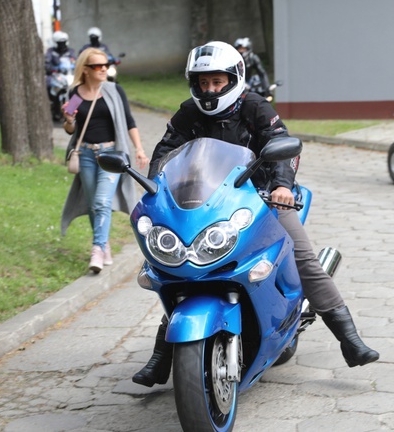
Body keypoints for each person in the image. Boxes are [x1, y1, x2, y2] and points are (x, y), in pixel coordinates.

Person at [131, 41, 379, 388]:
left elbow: (283, 148)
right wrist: (157, 183)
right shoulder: (189, 112)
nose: (210, 89)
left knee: (303, 256)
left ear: (234, 78)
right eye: (203, 83)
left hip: (260, 198)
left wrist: (281, 187)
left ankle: (349, 340)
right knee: (179, 269)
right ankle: (163, 353)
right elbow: (167, 150)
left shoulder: (256, 107)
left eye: (217, 82)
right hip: (208, 203)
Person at [60, 48, 150, 273]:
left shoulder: (113, 90)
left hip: (111, 155)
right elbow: (70, 129)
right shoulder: (74, 94)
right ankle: (104, 245)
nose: (103, 69)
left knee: (101, 202)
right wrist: (69, 120)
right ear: (85, 70)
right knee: (94, 204)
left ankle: (97, 249)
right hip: (86, 155)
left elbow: (129, 120)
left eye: (105, 65)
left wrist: (138, 148)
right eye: (97, 66)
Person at [45, 31, 77, 96]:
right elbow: (47, 63)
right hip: (55, 75)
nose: (62, 45)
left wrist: (75, 65)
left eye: (63, 43)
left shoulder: (70, 51)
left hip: (68, 74)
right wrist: (54, 69)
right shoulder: (51, 52)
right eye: (60, 43)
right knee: (48, 82)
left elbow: (75, 61)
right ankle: (51, 101)